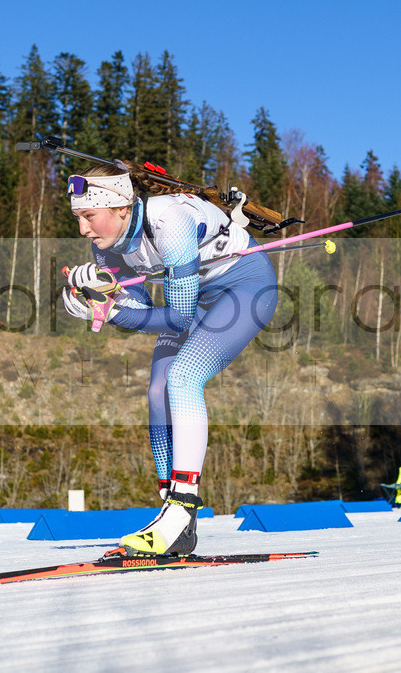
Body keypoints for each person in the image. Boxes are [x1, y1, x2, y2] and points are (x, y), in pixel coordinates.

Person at [61, 161, 278, 556]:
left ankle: (181, 509)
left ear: (122, 207)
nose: (84, 229)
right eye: (78, 217)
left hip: (244, 288)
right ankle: (175, 519)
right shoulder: (105, 246)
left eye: (90, 216)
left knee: (183, 378)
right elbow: (140, 305)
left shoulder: (169, 224)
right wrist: (99, 295)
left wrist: (113, 315)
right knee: (158, 389)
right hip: (196, 300)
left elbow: (175, 316)